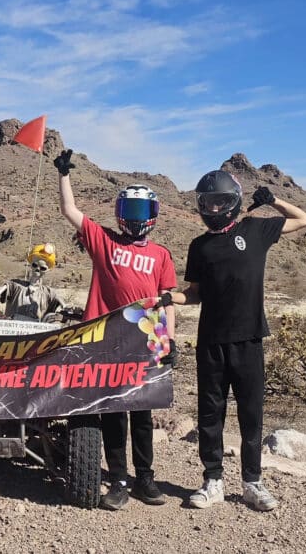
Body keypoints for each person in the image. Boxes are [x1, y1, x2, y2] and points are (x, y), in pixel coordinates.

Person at [167, 171, 306, 512]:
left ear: (233, 201)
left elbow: (305, 219)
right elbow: (195, 295)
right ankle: (212, 480)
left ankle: (252, 482)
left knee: (250, 415)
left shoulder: (256, 229)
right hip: (211, 343)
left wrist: (273, 201)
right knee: (210, 415)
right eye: (208, 202)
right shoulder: (199, 246)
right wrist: (168, 298)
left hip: (249, 340)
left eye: (220, 200)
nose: (214, 207)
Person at [53, 148, 177, 511]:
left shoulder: (162, 255)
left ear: (153, 217)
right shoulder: (104, 241)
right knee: (112, 414)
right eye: (131, 212)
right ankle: (119, 480)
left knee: (142, 414)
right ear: (120, 215)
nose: (136, 219)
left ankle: (146, 478)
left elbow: (166, 301)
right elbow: (70, 211)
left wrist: (169, 339)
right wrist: (63, 175)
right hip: (105, 341)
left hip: (145, 342)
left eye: (143, 212)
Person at [0, 243, 67, 320]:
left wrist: (65, 306)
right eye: (35, 265)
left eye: (42, 268)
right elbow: (8, 285)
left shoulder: (47, 293)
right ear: (30, 264)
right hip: (13, 328)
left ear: (48, 270)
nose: (38, 269)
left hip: (35, 330)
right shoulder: (17, 286)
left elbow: (58, 299)